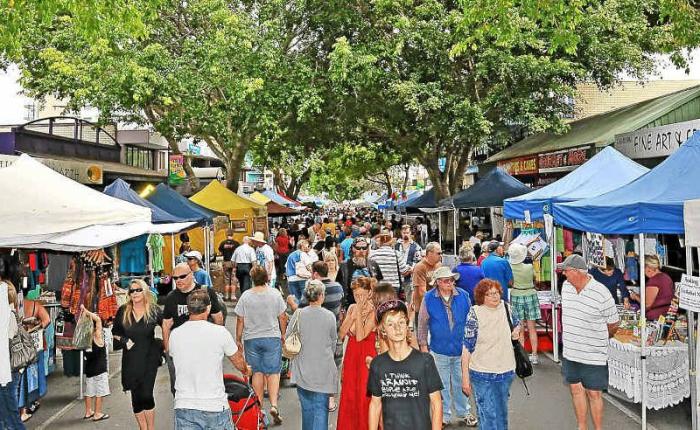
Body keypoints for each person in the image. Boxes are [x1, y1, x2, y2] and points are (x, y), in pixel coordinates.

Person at [170, 289, 251, 430]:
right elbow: (238, 362)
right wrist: (246, 369)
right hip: (214, 405)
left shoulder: (175, 334)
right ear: (208, 308)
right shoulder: (220, 333)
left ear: (188, 309)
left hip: (184, 405)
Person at [559, 255, 619, 430]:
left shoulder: (601, 292)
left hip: (593, 353)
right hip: (571, 351)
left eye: (566, 270)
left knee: (594, 393)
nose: (563, 274)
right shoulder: (566, 288)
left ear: (578, 272)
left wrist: (598, 337)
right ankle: (582, 427)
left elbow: (613, 323)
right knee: (576, 390)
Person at [368, 300, 443, 430]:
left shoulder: (425, 361)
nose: (397, 328)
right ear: (383, 330)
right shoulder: (378, 364)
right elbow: (375, 404)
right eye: (390, 324)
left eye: (401, 322)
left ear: (407, 325)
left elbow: (436, 404)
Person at [416, 267, 477, 427]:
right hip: (438, 349)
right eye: (445, 280)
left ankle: (465, 413)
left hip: (461, 349)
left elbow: (471, 322)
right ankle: (443, 417)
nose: (450, 282)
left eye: (451, 279)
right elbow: (422, 324)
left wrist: (472, 345)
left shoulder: (463, 295)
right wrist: (423, 347)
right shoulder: (428, 298)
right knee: (441, 384)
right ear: (437, 283)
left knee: (462, 382)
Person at [461, 279, 521, 430]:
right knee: (488, 417)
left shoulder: (508, 308)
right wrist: (465, 379)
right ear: (482, 297)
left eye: (496, 293)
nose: (494, 296)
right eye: (489, 294)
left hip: (505, 372)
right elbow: (467, 347)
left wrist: (517, 330)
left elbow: (518, 323)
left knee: (501, 416)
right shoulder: (475, 313)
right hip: (482, 374)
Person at [234, 266, 287, 425]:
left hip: (252, 339)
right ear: (266, 277)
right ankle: (274, 405)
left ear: (252, 279)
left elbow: (240, 320)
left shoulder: (246, 296)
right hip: (271, 337)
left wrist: (238, 338)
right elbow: (282, 316)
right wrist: (283, 334)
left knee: (256, 373)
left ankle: (258, 411)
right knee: (273, 372)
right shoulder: (275, 294)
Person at [163, 263, 225, 395]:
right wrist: (168, 348)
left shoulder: (206, 292)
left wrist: (218, 342)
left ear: (191, 275)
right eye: (175, 278)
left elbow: (218, 318)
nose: (178, 280)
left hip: (203, 347)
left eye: (182, 277)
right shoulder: (171, 298)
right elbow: (166, 324)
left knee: (205, 383)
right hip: (180, 348)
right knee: (179, 386)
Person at [112, 279, 164, 430]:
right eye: (132, 291)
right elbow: (115, 332)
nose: (134, 293)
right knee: (136, 397)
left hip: (149, 357)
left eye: (138, 290)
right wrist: (124, 339)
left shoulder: (153, 310)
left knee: (146, 394)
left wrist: (167, 345)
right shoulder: (123, 310)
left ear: (145, 291)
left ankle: (151, 428)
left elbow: (167, 326)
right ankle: (143, 428)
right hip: (131, 359)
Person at [287, 280, 338, 430]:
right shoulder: (329, 316)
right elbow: (333, 342)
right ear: (321, 295)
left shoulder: (298, 313)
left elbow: (289, 336)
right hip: (322, 371)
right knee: (320, 413)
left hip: (303, 370)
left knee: (307, 412)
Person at [337, 276, 377, 430]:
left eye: (362, 294)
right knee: (349, 392)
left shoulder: (374, 311)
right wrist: (351, 317)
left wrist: (359, 313)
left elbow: (360, 336)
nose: (359, 298)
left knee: (364, 393)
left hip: (367, 356)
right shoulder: (352, 308)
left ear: (369, 293)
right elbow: (341, 334)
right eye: (356, 295)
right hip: (351, 355)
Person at [507, 243, 541, 365]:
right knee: (532, 328)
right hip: (530, 294)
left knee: (519, 328)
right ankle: (535, 355)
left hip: (516, 295)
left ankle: (522, 356)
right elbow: (535, 279)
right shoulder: (529, 267)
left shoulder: (509, 267)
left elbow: (509, 282)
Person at [20, 294, 50, 420]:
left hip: (20, 347)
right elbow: (47, 320)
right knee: (36, 374)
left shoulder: (15, 305)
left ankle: (22, 408)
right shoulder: (34, 305)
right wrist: (37, 328)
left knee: (22, 377)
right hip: (35, 344)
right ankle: (31, 403)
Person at [0, 275, 24, 430]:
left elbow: (6, 340)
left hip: (9, 369)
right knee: (4, 414)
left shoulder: (8, 316)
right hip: (8, 368)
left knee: (10, 414)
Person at [81, 305, 110, 422]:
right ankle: (97, 413)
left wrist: (84, 314)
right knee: (100, 392)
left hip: (89, 370)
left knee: (89, 391)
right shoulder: (98, 336)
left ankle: (88, 411)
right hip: (100, 370)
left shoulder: (85, 337)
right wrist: (85, 310)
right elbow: (97, 320)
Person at [339, 237, 383, 307]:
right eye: (358, 248)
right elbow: (340, 288)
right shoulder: (344, 266)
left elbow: (379, 285)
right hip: (350, 305)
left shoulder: (373, 264)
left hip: (370, 306)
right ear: (353, 248)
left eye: (364, 248)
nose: (361, 251)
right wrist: (341, 308)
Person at [629, 254, 674, 320]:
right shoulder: (666, 277)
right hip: (666, 315)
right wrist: (637, 295)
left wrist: (635, 297)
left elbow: (647, 304)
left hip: (655, 317)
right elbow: (659, 297)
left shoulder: (653, 281)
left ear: (648, 268)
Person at [411, 242, 442, 323]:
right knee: (422, 335)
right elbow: (422, 292)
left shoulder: (439, 265)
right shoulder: (420, 267)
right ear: (430, 253)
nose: (440, 255)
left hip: (437, 307)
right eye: (438, 253)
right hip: (423, 308)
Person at [218, 230, 240, 301]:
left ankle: (226, 296)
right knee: (234, 279)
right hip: (234, 263)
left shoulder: (222, 243)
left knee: (226, 280)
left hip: (226, 262)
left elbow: (220, 252)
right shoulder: (236, 243)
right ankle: (233, 296)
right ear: (233, 234)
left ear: (226, 234)